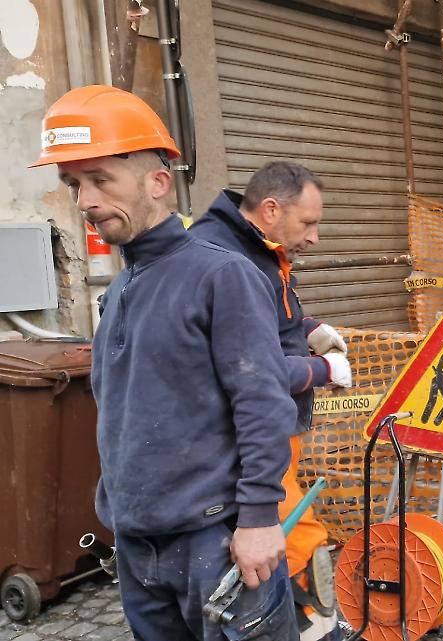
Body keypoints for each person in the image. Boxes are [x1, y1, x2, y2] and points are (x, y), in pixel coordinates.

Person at [31, 85, 299, 639]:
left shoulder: (220, 276)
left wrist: (258, 519)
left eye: (101, 180)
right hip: (138, 545)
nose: (84, 200)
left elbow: (263, 405)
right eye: (74, 184)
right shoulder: (124, 284)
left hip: (218, 542)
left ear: (157, 182)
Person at [189, 162, 351, 641]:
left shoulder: (259, 251)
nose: (315, 237)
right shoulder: (225, 261)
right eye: (308, 224)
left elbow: (266, 325)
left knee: (296, 526)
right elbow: (245, 369)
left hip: (275, 434)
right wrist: (320, 371)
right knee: (290, 537)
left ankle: (308, 616)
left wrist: (306, 329)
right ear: (271, 209)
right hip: (248, 439)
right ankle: (306, 623)